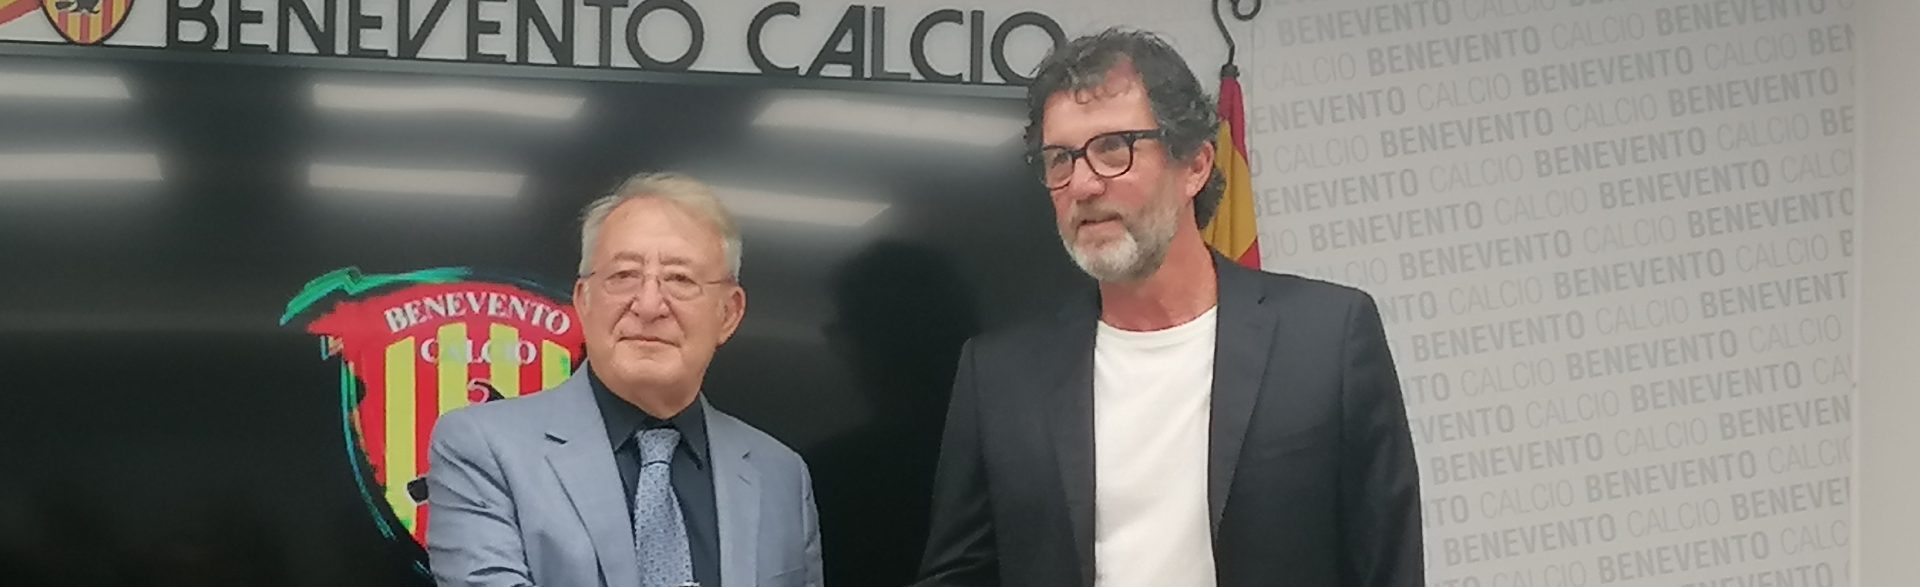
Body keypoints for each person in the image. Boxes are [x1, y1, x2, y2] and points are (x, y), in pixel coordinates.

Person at [916, 29, 1423, 587]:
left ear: (1196, 166)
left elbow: (1386, 563)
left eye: (1113, 148)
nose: (1082, 184)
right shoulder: (1000, 376)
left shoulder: (1326, 338)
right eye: (1060, 159)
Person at [426, 172, 823, 587]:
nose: (649, 305)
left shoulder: (781, 476)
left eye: (680, 279)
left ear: (728, 313)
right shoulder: (484, 448)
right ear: (584, 301)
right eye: (624, 275)